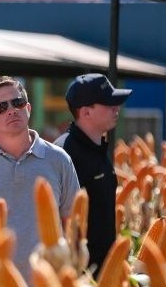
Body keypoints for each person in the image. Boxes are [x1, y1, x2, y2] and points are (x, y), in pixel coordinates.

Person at [0, 75, 80, 283]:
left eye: (17, 102)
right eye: (0, 107)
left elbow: (72, 225)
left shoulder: (59, 160)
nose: (11, 110)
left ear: (27, 108)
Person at [55, 73, 131, 272]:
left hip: (103, 272)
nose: (116, 108)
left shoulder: (98, 149)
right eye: (108, 104)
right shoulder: (64, 153)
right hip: (78, 275)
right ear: (86, 112)